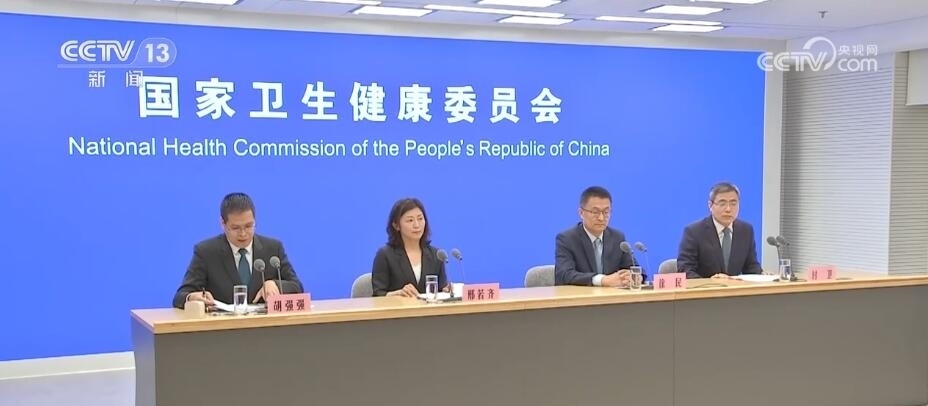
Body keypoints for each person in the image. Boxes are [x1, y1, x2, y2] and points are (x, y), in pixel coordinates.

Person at [172, 192, 304, 309]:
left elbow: (297, 287)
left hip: (266, 326)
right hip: (223, 327)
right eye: (235, 228)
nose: (243, 233)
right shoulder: (206, 252)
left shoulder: (273, 248)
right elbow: (180, 296)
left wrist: (274, 284)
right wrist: (192, 297)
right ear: (223, 224)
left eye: (249, 226)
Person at [555, 186, 638, 287]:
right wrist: (602, 280)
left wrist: (634, 276)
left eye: (606, 212)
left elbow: (633, 267)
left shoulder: (617, 237)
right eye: (595, 212)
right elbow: (564, 275)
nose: (601, 218)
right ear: (581, 213)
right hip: (581, 295)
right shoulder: (567, 239)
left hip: (611, 296)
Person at [676, 182, 763, 279]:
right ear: (710, 205)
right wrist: (710, 283)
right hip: (707, 288)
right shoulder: (694, 232)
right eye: (722, 204)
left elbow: (751, 266)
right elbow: (685, 269)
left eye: (733, 204)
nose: (728, 209)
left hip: (735, 288)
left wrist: (763, 275)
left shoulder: (746, 230)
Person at [371, 198, 449, 297]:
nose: (417, 225)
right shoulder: (385, 255)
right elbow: (378, 294)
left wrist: (447, 291)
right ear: (396, 225)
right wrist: (398, 293)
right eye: (410, 220)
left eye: (420, 219)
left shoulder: (436, 255)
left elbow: (441, 291)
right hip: (398, 307)